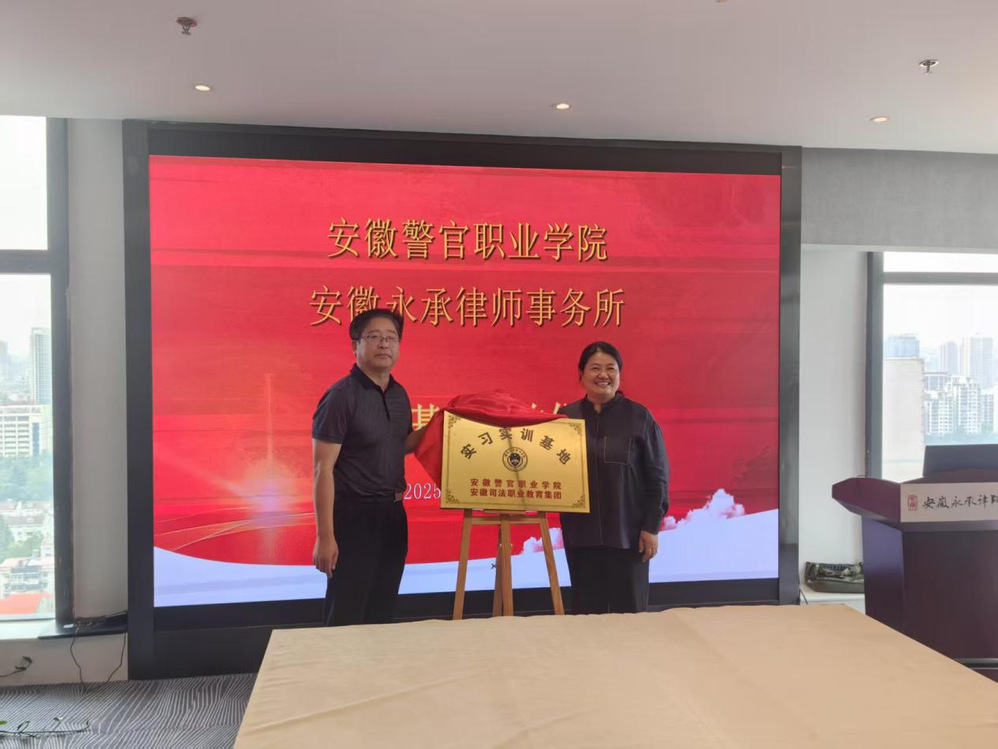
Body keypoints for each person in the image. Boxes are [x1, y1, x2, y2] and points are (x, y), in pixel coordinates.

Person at [311, 308, 425, 625]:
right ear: (355, 345)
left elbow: (399, 445)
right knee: (347, 614)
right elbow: (322, 470)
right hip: (353, 518)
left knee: (382, 609)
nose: (384, 344)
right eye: (374, 337)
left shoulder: (399, 395)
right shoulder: (340, 397)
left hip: (393, 515)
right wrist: (325, 536)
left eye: (391, 338)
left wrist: (442, 425)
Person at [559, 342, 669, 614]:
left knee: (629, 617)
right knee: (587, 616)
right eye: (595, 368)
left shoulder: (639, 416)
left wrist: (651, 526)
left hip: (629, 537)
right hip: (581, 537)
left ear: (619, 374)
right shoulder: (566, 418)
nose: (603, 375)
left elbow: (657, 476)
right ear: (581, 374)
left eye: (611, 368)